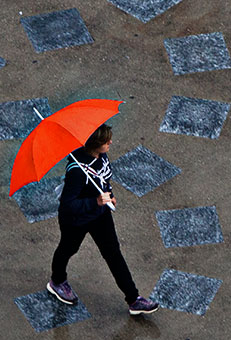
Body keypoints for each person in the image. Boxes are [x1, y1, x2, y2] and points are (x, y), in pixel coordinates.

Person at [47, 125, 159, 315]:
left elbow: (103, 181)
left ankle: (133, 299)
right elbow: (67, 204)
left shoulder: (102, 156)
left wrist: (109, 195)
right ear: (95, 144)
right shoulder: (77, 171)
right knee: (68, 249)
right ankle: (57, 281)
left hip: (100, 214)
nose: (110, 143)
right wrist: (96, 201)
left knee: (113, 254)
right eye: (106, 141)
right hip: (76, 220)